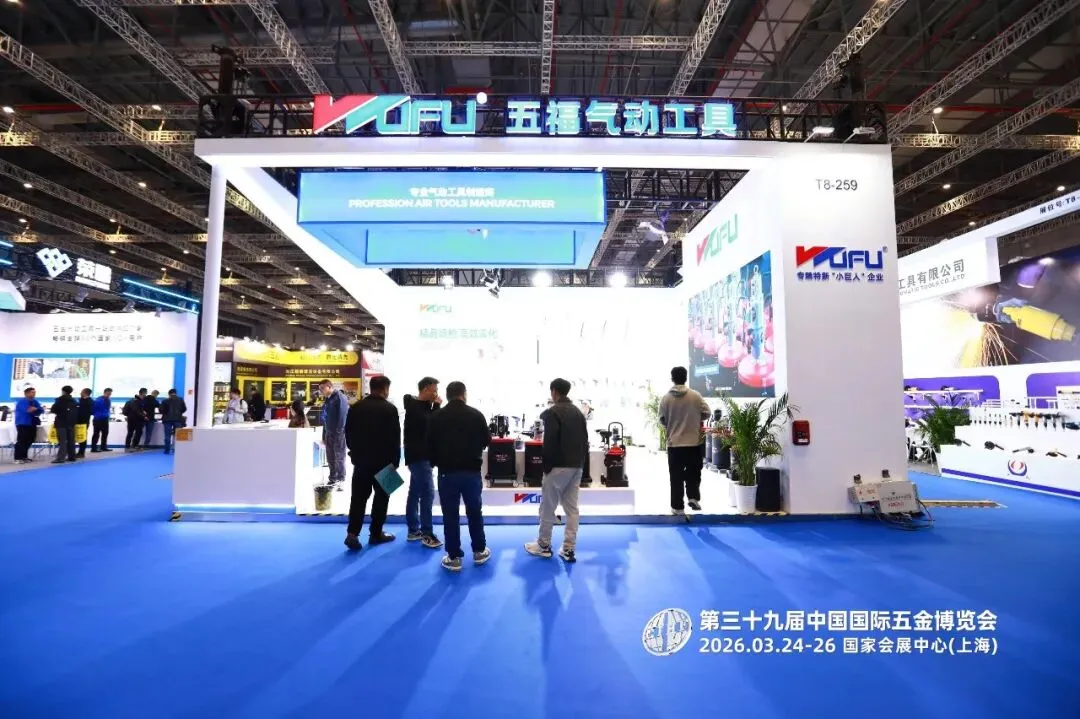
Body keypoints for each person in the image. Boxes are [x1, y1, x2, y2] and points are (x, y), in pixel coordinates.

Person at [426, 381, 491, 572]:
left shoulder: (436, 416)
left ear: (447, 395)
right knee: (475, 512)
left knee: (450, 515)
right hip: (471, 472)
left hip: (447, 473)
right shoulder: (476, 415)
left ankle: (454, 557)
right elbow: (486, 440)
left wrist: (437, 462)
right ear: (464, 394)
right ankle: (479, 551)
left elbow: (429, 445)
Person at [525, 378, 588, 563]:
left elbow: (550, 442)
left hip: (558, 466)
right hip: (577, 466)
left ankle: (543, 545)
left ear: (554, 391)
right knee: (572, 509)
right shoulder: (578, 412)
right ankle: (568, 549)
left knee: (548, 507)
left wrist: (546, 467)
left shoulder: (553, 412)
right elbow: (585, 440)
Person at [342, 375, 399, 551]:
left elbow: (348, 433)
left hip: (361, 462)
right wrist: (395, 463)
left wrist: (355, 453)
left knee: (358, 499)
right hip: (385, 462)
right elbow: (395, 439)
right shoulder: (390, 409)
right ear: (385, 389)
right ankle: (376, 533)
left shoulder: (356, 407)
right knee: (382, 500)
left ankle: (352, 533)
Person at [659, 366, 711, 514]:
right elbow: (707, 413)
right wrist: (695, 419)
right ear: (686, 378)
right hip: (693, 443)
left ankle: (677, 507)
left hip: (674, 444)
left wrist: (671, 425)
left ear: (672, 379)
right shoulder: (695, 396)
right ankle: (693, 497)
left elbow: (662, 419)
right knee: (694, 472)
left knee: (676, 477)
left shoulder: (666, 398)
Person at [402, 376, 443, 549]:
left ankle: (413, 530)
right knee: (427, 493)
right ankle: (427, 533)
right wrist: (437, 407)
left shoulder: (420, 407)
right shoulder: (415, 408)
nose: (436, 394)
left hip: (419, 457)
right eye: (434, 390)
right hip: (419, 457)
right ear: (425, 389)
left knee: (415, 492)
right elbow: (431, 424)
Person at [319, 379, 350, 488]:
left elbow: (342, 417)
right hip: (329, 432)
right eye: (320, 389)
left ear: (329, 387)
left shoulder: (340, 397)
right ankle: (332, 478)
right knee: (330, 457)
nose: (321, 391)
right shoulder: (328, 399)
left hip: (338, 434)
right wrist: (324, 434)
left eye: (322, 388)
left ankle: (341, 479)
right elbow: (325, 417)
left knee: (339, 456)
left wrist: (338, 432)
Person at [13, 386, 42, 464]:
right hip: (23, 423)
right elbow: (28, 410)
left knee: (30, 439)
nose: (34, 394)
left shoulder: (35, 401)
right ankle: (17, 457)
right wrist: (36, 409)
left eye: (34, 392)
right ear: (26, 393)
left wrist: (36, 409)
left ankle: (24, 456)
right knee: (21, 440)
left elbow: (41, 410)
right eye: (32, 392)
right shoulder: (21, 402)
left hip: (32, 423)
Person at [50, 385, 79, 463]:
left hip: (61, 423)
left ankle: (61, 458)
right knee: (71, 440)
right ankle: (72, 457)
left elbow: (53, 409)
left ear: (63, 391)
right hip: (71, 423)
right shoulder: (74, 401)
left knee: (63, 441)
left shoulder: (60, 400)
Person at [159, 389, 187, 455]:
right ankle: (176, 449)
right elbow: (184, 409)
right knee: (177, 435)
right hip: (178, 419)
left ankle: (167, 450)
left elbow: (161, 410)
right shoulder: (180, 400)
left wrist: (165, 413)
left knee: (167, 435)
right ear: (176, 393)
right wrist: (179, 413)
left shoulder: (165, 401)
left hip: (167, 420)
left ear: (169, 394)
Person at [90, 388, 113, 452]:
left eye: (110, 393)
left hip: (105, 419)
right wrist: (97, 415)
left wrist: (107, 415)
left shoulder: (108, 400)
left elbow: (107, 409)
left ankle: (103, 447)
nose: (109, 394)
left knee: (105, 433)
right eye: (108, 393)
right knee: (96, 434)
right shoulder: (98, 400)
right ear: (105, 392)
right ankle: (93, 448)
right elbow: (93, 409)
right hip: (98, 419)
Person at [76, 388, 93, 458]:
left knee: (82, 437)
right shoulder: (80, 400)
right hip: (77, 421)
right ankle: (76, 452)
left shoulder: (89, 401)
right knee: (77, 437)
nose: (80, 393)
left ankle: (81, 452)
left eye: (82, 392)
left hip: (84, 422)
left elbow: (89, 412)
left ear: (85, 393)